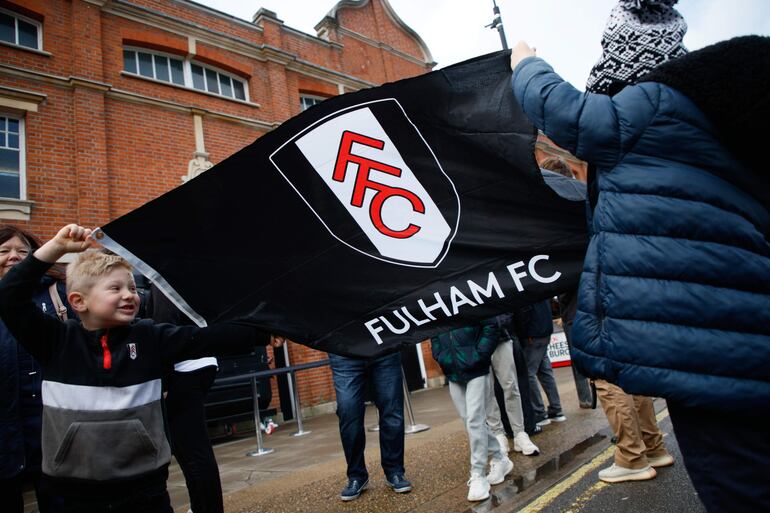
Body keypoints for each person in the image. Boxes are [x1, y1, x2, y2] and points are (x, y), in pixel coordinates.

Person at [510, 22, 770, 513]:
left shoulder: (654, 108)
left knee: (737, 487)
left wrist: (522, 59)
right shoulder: (723, 138)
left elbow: (564, 111)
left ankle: (637, 453)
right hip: (742, 339)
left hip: (701, 346)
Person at [0, 224, 285, 513]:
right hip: (74, 494)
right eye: (115, 288)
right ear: (78, 301)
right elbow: (9, 296)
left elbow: (205, 339)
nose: (129, 295)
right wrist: (55, 249)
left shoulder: (149, 338)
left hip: (146, 491)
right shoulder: (56, 341)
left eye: (132, 288)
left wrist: (262, 334)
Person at [0, 226, 69, 513]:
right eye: (4, 250)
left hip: (52, 420)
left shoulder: (57, 293)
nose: (14, 256)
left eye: (23, 251)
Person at [147, 284, 222, 513]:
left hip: (184, 368)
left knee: (192, 451)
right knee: (193, 449)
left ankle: (205, 507)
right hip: (200, 362)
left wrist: (165, 379)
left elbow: (164, 324)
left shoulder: (161, 275)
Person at [431, 321, 513, 502]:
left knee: (475, 420)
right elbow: (435, 331)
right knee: (469, 421)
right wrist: (441, 355)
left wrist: (479, 355)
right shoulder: (436, 300)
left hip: (476, 368)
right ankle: (500, 458)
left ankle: (478, 474)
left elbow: (491, 324)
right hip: (452, 370)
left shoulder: (468, 294)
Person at [328, 351, 412, 501]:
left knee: (392, 411)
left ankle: (395, 471)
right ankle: (356, 475)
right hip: (343, 352)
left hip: (384, 346)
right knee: (348, 413)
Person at [485, 314, 539, 456]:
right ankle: (498, 434)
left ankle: (519, 433)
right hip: (475, 340)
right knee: (487, 391)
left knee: (511, 386)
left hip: (500, 335)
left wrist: (501, 322)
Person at [516, 300, 565, 426]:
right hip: (544, 330)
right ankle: (556, 408)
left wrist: (523, 332)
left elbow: (524, 311)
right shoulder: (536, 283)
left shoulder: (522, 287)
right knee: (545, 371)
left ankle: (539, 412)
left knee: (529, 373)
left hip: (532, 333)